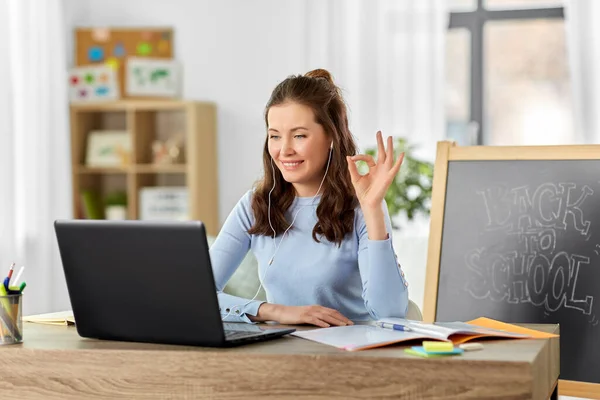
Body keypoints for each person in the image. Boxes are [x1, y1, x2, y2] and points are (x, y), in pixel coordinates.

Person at [209, 68, 409, 327]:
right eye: (275, 136)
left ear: (331, 138)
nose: (284, 150)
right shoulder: (254, 206)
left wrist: (372, 210)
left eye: (299, 135)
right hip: (283, 352)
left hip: (350, 355)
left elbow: (389, 312)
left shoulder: (362, 207)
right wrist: (275, 312)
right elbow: (197, 296)